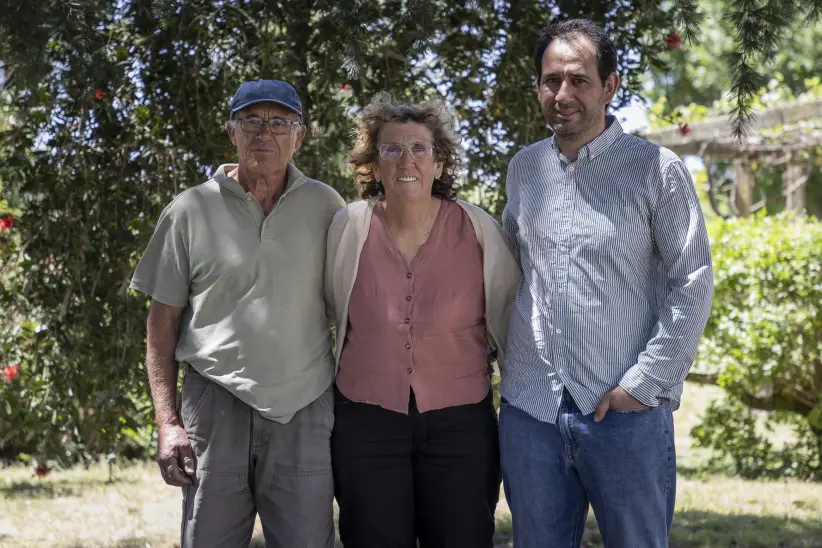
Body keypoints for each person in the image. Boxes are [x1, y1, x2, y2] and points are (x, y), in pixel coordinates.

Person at [499, 19, 714, 548]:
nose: (562, 94)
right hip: (531, 409)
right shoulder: (524, 169)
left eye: (578, 80)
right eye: (551, 80)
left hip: (624, 413)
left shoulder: (656, 171)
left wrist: (641, 386)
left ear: (610, 85)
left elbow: (693, 280)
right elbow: (508, 269)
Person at [130, 79, 345, 548]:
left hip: (304, 408)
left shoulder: (329, 207)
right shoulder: (189, 209)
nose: (263, 133)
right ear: (231, 131)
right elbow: (160, 325)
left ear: (300, 135)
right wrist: (168, 424)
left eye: (279, 122)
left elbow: (350, 309)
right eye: (250, 120)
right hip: (213, 405)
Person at [324, 93, 520, 548]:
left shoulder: (477, 230)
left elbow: (510, 319)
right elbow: (324, 313)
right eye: (391, 149)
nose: (406, 160)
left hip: (461, 424)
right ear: (373, 164)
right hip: (365, 420)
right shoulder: (347, 228)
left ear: (439, 162)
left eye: (419, 149)